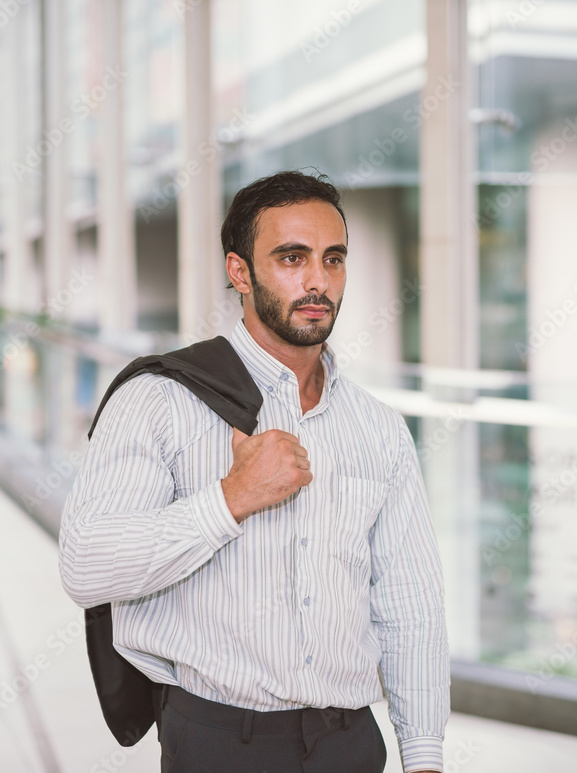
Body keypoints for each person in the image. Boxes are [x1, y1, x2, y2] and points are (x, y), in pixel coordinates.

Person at [59, 170, 450, 773]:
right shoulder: (160, 400)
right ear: (240, 272)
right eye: (292, 258)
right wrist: (231, 497)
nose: (318, 281)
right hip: (219, 741)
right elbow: (86, 565)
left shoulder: (379, 428)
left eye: (333, 259)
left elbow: (409, 604)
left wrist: (423, 754)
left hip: (350, 743)